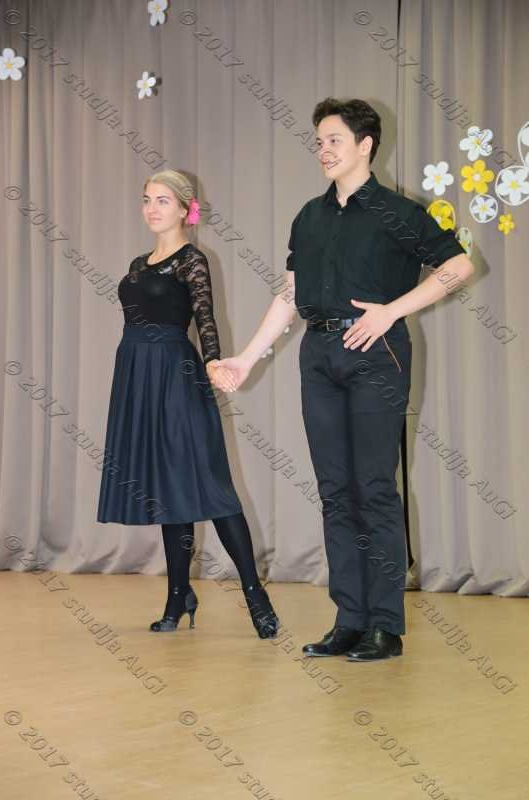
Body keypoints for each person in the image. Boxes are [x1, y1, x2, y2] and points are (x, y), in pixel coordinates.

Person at [216, 98, 474, 661]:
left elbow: (459, 266)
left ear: (365, 145)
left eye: (334, 139)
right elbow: (290, 295)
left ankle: (385, 625)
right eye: (319, 141)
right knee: (335, 491)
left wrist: (392, 311)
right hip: (319, 355)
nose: (324, 149)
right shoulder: (308, 217)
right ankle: (350, 619)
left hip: (377, 353)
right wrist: (247, 358)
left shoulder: (399, 212)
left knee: (375, 488)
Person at [96, 170, 279, 639]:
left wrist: (214, 361)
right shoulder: (138, 264)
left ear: (184, 209)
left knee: (213, 487)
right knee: (166, 490)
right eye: (146, 199)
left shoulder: (192, 260)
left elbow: (205, 318)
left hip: (176, 377)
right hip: (136, 376)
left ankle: (254, 594)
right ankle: (178, 595)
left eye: (162, 200)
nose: (152, 208)